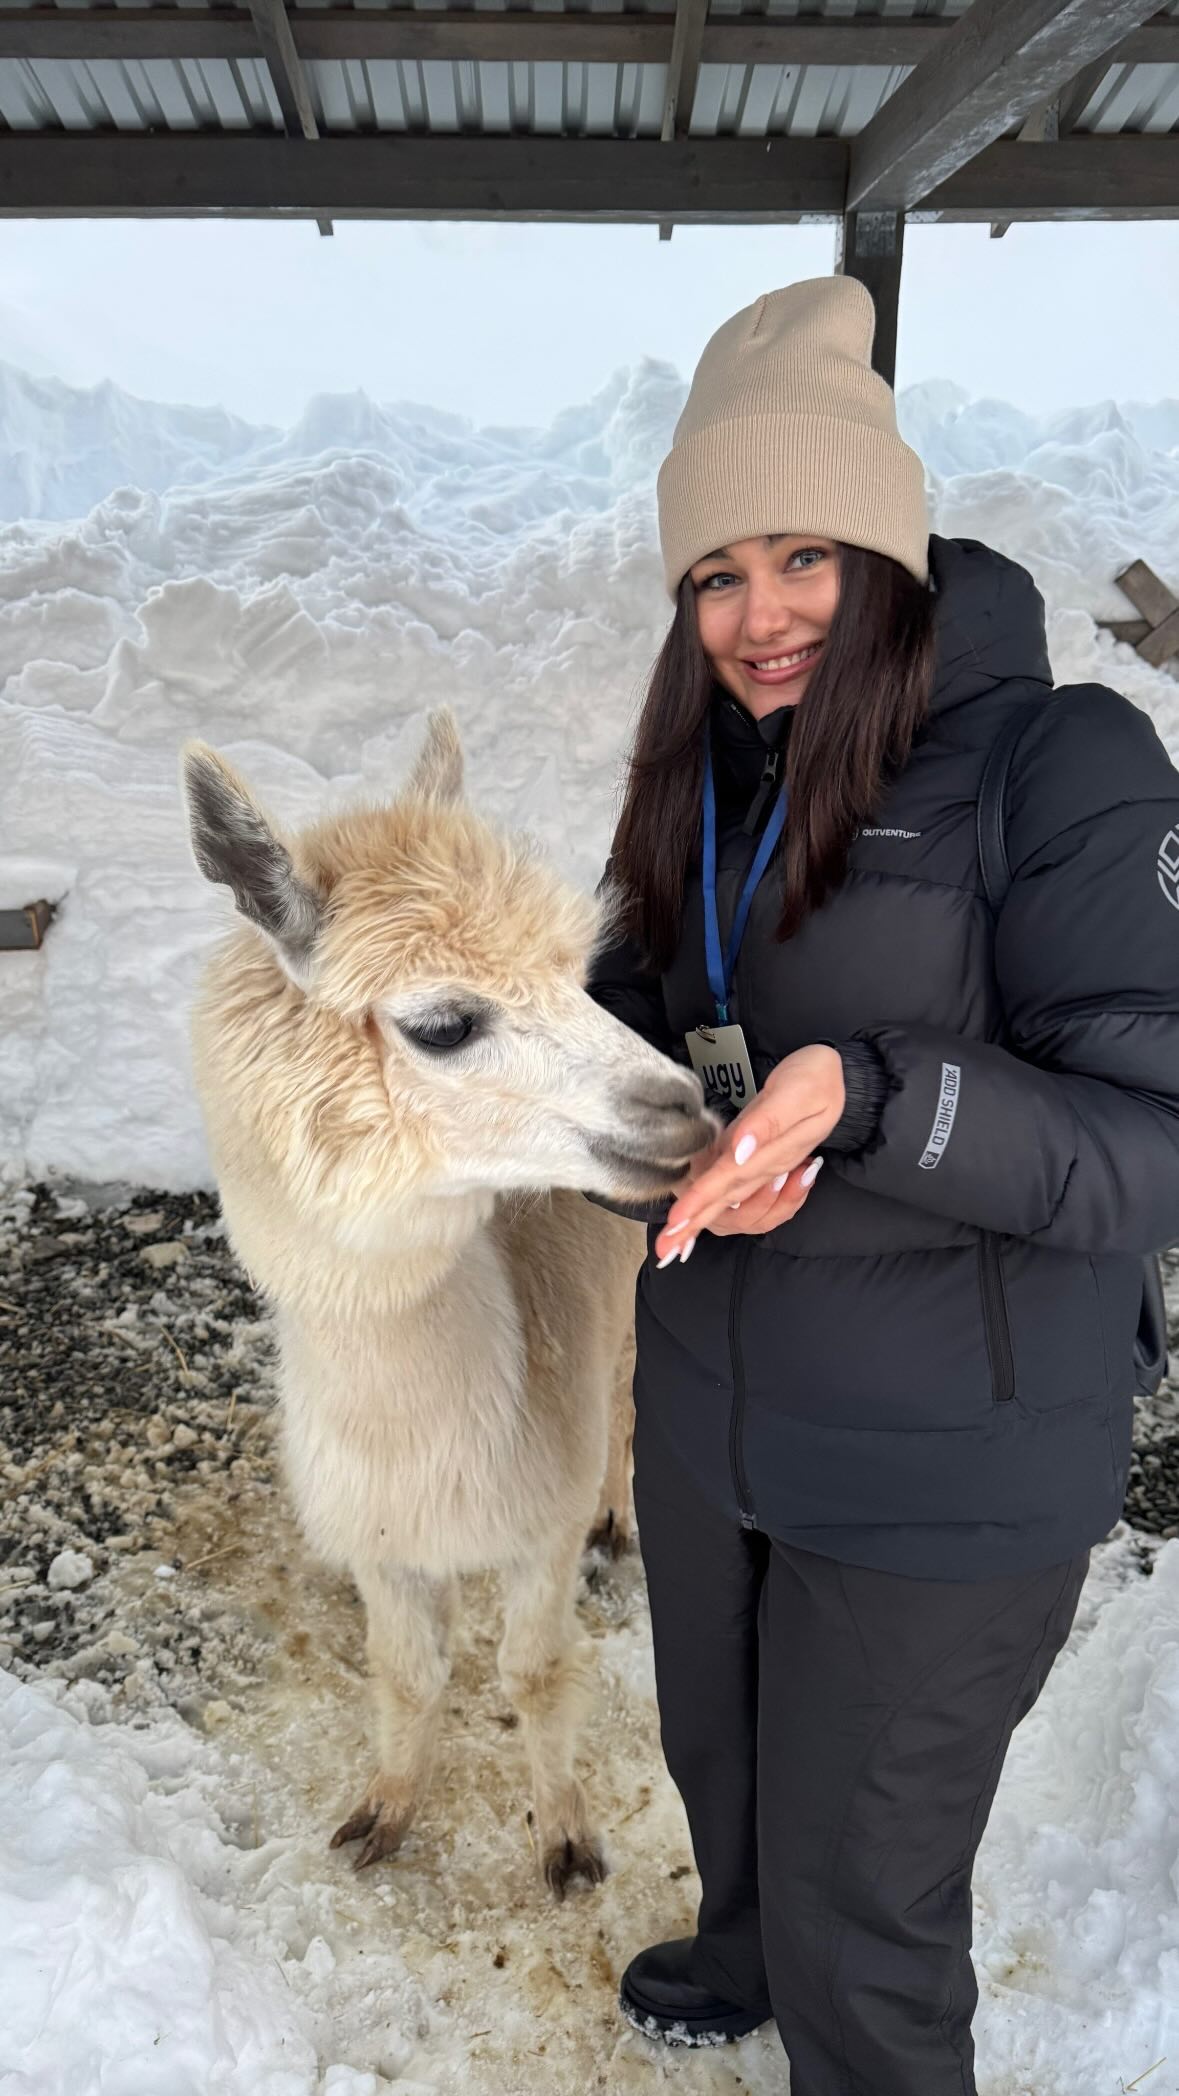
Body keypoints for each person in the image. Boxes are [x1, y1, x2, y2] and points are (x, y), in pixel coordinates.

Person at [587, 275, 1179, 2095]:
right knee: (738, 1762)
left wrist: (876, 1101)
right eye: (715, 575)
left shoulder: (1062, 761)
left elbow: (1152, 1143)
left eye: (803, 558)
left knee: (875, 1911)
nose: (757, 619)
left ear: (893, 552)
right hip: (717, 1415)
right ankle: (750, 1943)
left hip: (949, 1464)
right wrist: (626, 1104)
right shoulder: (710, 770)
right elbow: (638, 1013)